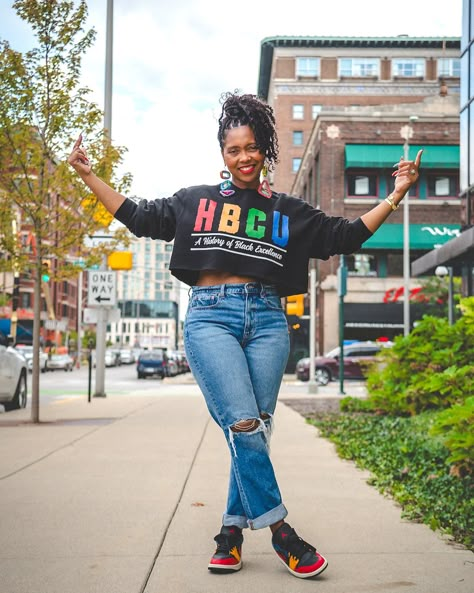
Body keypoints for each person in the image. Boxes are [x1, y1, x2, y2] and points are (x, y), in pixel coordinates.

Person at [68, 92, 422, 579]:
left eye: (251, 147)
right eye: (233, 150)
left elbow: (344, 236)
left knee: (257, 426)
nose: (244, 157)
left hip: (269, 321)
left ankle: (231, 532)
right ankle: (282, 533)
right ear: (222, 154)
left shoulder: (289, 211)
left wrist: (396, 194)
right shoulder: (196, 201)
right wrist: (89, 175)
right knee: (243, 425)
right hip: (211, 318)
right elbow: (140, 217)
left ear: (264, 149)